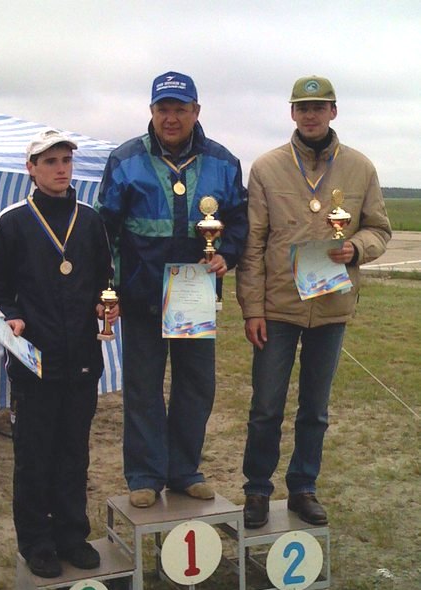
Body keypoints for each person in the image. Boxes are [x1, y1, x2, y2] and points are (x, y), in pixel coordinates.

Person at [236, 75, 391, 528]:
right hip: (278, 309)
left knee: (315, 410)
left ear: (333, 111)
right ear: (292, 113)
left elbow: (379, 229)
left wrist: (356, 248)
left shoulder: (360, 167)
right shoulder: (267, 167)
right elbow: (253, 244)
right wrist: (253, 309)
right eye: (303, 108)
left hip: (331, 307)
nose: (310, 115)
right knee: (266, 407)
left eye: (319, 107)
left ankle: (303, 487)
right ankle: (257, 490)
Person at [97, 71, 248, 508]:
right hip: (141, 296)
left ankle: (184, 470)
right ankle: (144, 475)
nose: (171, 118)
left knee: (195, 387)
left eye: (180, 109)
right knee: (143, 388)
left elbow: (239, 221)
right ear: (151, 111)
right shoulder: (125, 159)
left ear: (196, 111)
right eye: (163, 109)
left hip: (194, 297)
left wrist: (226, 255)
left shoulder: (223, 161)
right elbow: (105, 230)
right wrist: (108, 289)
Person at [0, 129, 118, 577]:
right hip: (33, 360)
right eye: (50, 162)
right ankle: (36, 541)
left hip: (82, 358)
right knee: (35, 454)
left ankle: (72, 535)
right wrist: (13, 317)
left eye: (66, 161)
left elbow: (104, 279)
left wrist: (105, 304)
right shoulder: (13, 220)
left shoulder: (90, 220)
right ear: (31, 169)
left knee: (74, 452)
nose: (60, 169)